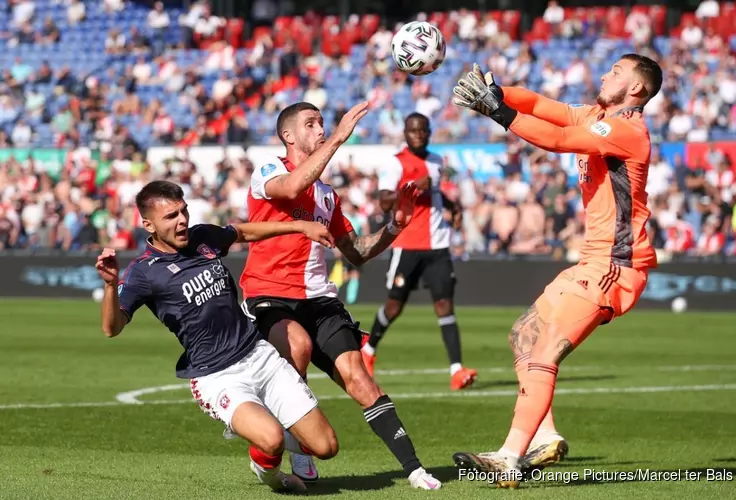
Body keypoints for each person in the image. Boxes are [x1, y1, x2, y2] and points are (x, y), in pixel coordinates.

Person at [450, 54, 662, 488]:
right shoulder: (596, 115)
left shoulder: (628, 131)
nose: (604, 73)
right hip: (591, 261)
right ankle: (545, 439)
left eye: (616, 72)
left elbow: (559, 139)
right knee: (523, 335)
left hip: (614, 267)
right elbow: (543, 105)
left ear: (636, 89)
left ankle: (509, 456)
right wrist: (499, 91)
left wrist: (498, 112)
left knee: (545, 352)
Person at [239, 101, 442, 490]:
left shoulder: (328, 197)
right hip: (269, 294)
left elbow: (358, 251)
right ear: (288, 135)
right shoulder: (268, 170)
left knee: (360, 379)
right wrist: (338, 138)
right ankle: (296, 443)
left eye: (322, 123)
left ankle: (415, 469)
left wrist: (396, 225)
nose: (319, 129)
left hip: (319, 299)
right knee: (295, 345)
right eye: (310, 124)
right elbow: (293, 185)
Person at [95, 180, 341, 494]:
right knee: (272, 439)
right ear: (149, 225)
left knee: (326, 447)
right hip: (216, 376)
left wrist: (299, 226)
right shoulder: (143, 273)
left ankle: (261, 426)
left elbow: (244, 232)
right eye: (171, 216)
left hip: (257, 354)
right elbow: (111, 328)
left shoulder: (202, 237)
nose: (182, 220)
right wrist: (109, 286)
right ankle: (268, 472)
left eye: (183, 211)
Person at [361, 113, 477, 391]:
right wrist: (413, 186)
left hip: (437, 245)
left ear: (429, 132)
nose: (418, 134)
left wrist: (452, 207)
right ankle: (368, 351)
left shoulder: (437, 161)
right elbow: (385, 202)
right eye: (413, 130)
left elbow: (435, 193)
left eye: (423, 130)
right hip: (407, 245)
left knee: (444, 305)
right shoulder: (394, 163)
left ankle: (457, 371)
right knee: (394, 306)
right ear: (404, 132)